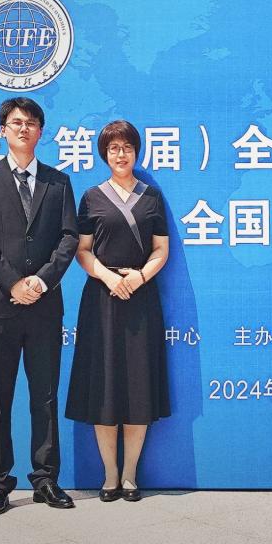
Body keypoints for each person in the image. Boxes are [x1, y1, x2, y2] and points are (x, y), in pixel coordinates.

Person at [0, 97, 79, 516]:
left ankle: (46, 479)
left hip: (44, 307)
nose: (23, 128)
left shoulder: (58, 182)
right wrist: (13, 282)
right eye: (16, 122)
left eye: (31, 123)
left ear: (41, 131)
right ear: (3, 130)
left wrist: (41, 281)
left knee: (44, 396)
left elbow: (69, 237)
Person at [65, 120, 171, 502]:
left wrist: (139, 277)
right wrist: (109, 277)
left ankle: (130, 476)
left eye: (126, 147)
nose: (120, 154)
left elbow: (161, 249)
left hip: (141, 299)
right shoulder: (92, 197)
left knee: (138, 388)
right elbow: (82, 250)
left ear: (136, 151)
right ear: (104, 155)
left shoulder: (152, 197)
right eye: (113, 148)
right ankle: (109, 475)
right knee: (104, 389)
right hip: (102, 300)